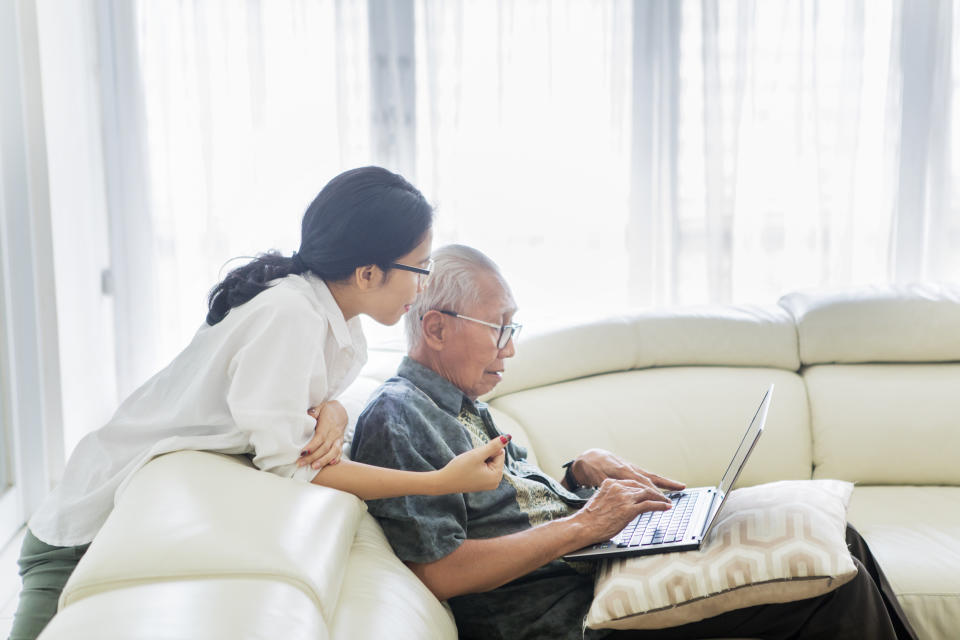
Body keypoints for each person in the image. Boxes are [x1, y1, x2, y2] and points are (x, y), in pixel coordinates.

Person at [8, 168, 508, 640]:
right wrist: (441, 482)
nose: (424, 286)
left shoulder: (335, 319)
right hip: (79, 532)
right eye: (419, 268)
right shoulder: (289, 314)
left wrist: (332, 408)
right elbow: (294, 466)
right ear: (367, 273)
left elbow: (295, 407)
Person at [349, 244, 919, 640]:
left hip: (600, 571)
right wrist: (584, 525)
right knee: (830, 589)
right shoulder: (399, 417)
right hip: (572, 614)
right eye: (499, 328)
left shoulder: (463, 402)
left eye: (512, 328)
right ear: (436, 329)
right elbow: (439, 570)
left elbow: (513, 505)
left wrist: (576, 474)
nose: (510, 348)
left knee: (838, 540)